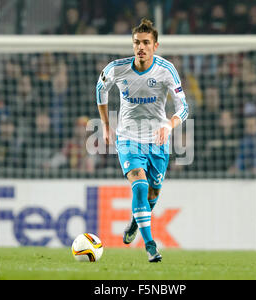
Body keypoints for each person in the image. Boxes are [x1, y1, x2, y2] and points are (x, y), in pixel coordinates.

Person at [96, 18, 189, 262]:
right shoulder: (117, 68)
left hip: (158, 139)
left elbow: (184, 107)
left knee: (152, 193)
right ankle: (150, 245)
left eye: (146, 43)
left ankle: (136, 222)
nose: (141, 47)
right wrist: (106, 125)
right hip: (128, 137)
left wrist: (170, 124)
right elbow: (100, 90)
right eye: (137, 42)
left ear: (155, 46)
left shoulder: (166, 70)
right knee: (138, 184)